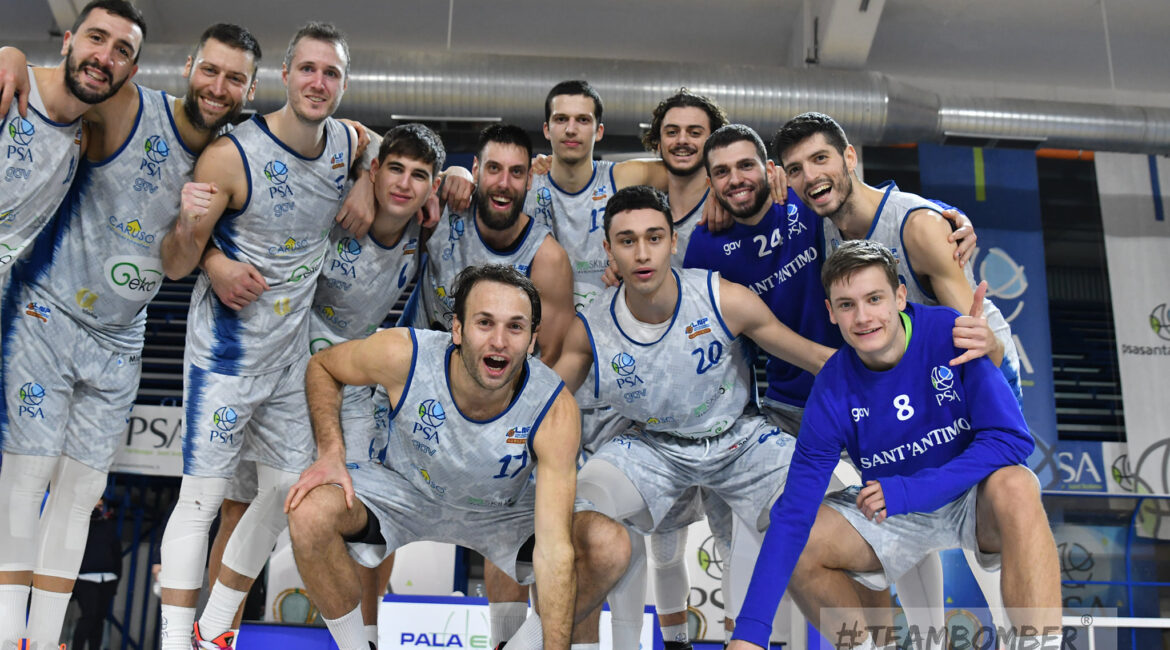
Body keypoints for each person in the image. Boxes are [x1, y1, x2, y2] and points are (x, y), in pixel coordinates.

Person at [0, 13, 260, 650]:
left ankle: (43, 640)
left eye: (234, 79)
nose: (218, 87)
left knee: (82, 493)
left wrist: (192, 230)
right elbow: (62, 81)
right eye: (210, 70)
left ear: (250, 91)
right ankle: (7, 637)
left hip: (120, 337)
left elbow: (174, 266)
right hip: (46, 311)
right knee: (26, 478)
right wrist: (11, 53)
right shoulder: (127, 105)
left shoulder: (232, 157)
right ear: (188, 69)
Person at [729, 240, 1061, 650]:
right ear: (831, 312)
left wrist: (910, 490)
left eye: (874, 299)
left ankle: (1040, 645)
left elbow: (1010, 440)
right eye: (847, 305)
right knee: (801, 541)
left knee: (1018, 485)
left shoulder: (950, 333)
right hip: (894, 514)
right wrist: (750, 634)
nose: (863, 317)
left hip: (967, 496)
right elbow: (794, 513)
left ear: (900, 296)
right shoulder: (831, 388)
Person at [154, 22, 369, 650]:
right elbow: (174, 262)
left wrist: (366, 174)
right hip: (224, 360)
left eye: (331, 73)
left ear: (343, 84)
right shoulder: (231, 154)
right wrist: (207, 254)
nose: (318, 82)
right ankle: (176, 641)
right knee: (202, 501)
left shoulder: (346, 143)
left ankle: (214, 629)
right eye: (308, 69)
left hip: (291, 362)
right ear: (284, 75)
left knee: (284, 494)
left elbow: (381, 144)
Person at [544, 185, 835, 648]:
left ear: (673, 241)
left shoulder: (723, 299)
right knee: (583, 524)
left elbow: (817, 358)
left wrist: (906, 362)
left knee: (835, 511)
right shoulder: (591, 329)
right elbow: (539, 405)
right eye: (627, 241)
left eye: (654, 237)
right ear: (608, 250)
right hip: (653, 445)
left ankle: (852, 641)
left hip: (738, 438)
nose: (643, 253)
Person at [284, 264, 630, 650]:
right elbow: (324, 366)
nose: (499, 341)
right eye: (485, 323)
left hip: (501, 511)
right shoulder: (403, 354)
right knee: (308, 511)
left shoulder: (554, 408)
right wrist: (330, 452)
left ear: (533, 340)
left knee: (608, 546)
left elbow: (554, 550)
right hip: (403, 492)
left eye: (515, 327)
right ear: (458, 329)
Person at [193, 123, 446, 649]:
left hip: (349, 375)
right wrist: (360, 171)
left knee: (366, 511)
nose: (404, 184)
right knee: (245, 504)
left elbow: (465, 183)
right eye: (394, 169)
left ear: (432, 186)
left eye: (419, 176)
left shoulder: (426, 229)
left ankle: (366, 636)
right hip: (282, 358)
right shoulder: (340, 204)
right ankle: (215, 633)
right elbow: (347, 132)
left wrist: (459, 173)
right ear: (375, 172)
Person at [773, 111, 1021, 403]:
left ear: (849, 157)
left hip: (981, 368)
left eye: (820, 158)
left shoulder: (920, 227)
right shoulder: (822, 224)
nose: (810, 176)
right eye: (795, 169)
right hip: (915, 379)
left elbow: (976, 343)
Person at [0, 0, 141, 283]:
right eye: (96, 37)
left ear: (129, 75)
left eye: (122, 51)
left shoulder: (83, 138)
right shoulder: (7, 87)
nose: (105, 57)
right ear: (67, 42)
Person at [414, 123, 574, 364]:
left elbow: (552, 357)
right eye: (494, 168)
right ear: (476, 170)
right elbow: (394, 160)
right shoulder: (444, 208)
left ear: (529, 179)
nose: (503, 183)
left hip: (497, 382)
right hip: (419, 372)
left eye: (516, 172)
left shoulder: (547, 258)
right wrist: (449, 174)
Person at [72, 499, 120, 650]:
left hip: (107, 579)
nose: (97, 509)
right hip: (85, 579)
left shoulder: (109, 527)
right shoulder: (79, 527)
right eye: (94, 506)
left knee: (99, 618)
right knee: (89, 616)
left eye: (99, 506)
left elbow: (117, 556)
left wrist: (116, 581)